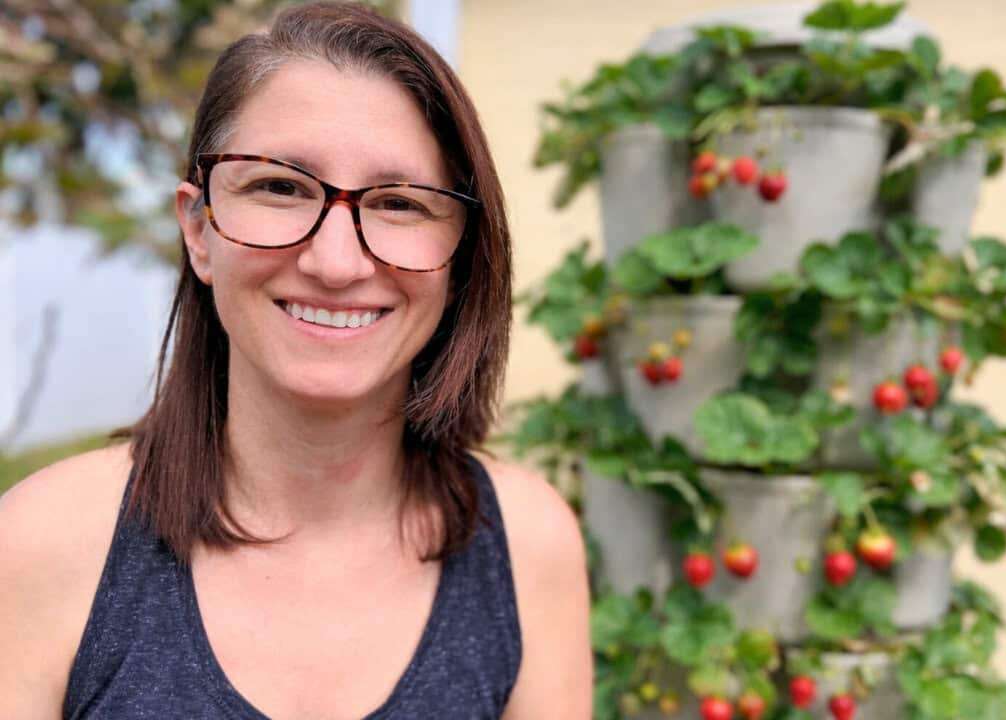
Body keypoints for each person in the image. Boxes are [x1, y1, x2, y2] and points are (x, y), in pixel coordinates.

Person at [0, 2, 591, 718]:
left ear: (462, 253)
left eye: (400, 203)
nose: (335, 262)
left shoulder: (527, 546)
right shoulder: (39, 547)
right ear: (198, 229)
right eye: (279, 187)